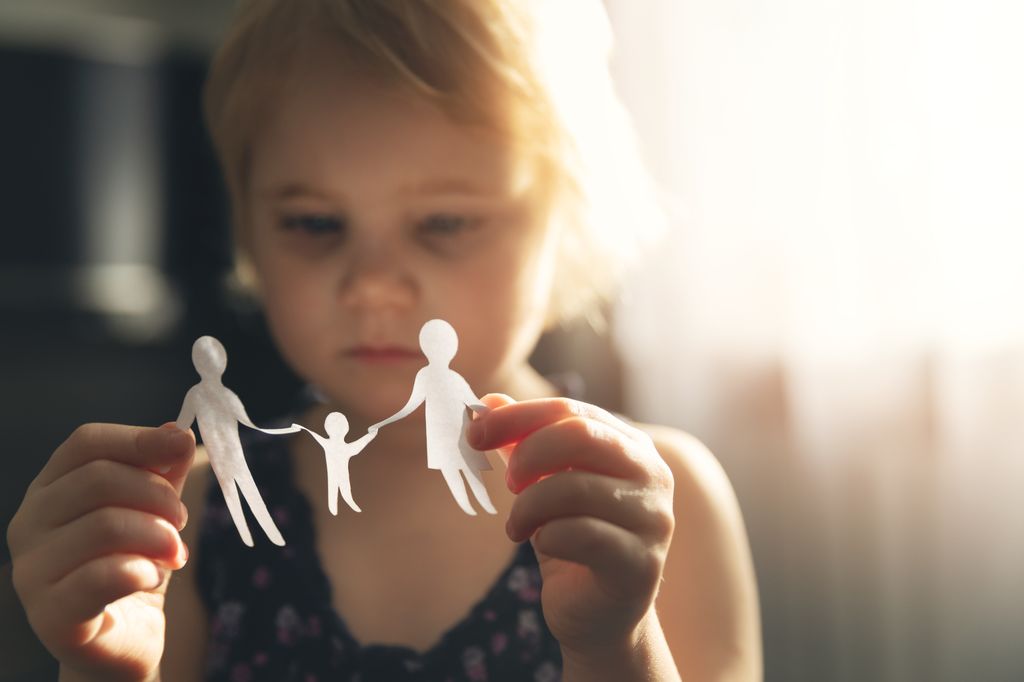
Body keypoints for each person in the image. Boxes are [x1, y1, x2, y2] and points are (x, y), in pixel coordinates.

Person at [5, 1, 762, 680]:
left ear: (566, 223)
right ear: (249, 230)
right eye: (315, 224)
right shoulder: (194, 514)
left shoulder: (655, 502)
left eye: (444, 223)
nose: (370, 285)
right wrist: (101, 669)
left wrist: (613, 646)